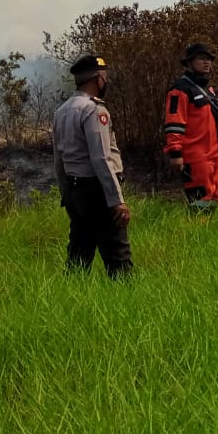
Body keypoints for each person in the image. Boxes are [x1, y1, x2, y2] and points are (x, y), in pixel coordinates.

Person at [52, 55, 132, 278]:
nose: (106, 81)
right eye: (104, 76)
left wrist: (66, 194)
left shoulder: (62, 111)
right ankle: (126, 300)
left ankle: (71, 298)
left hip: (75, 189)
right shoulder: (95, 111)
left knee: (79, 253)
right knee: (118, 255)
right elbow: (101, 158)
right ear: (98, 78)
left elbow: (59, 159)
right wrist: (117, 200)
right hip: (96, 191)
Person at [162, 42, 218, 215]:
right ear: (189, 63)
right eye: (201, 59)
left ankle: (207, 236)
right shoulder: (180, 90)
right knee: (200, 201)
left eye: (208, 59)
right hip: (196, 157)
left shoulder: (208, 91)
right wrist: (175, 153)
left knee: (213, 199)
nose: (206, 63)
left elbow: (216, 121)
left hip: (214, 156)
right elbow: (174, 123)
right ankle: (197, 235)